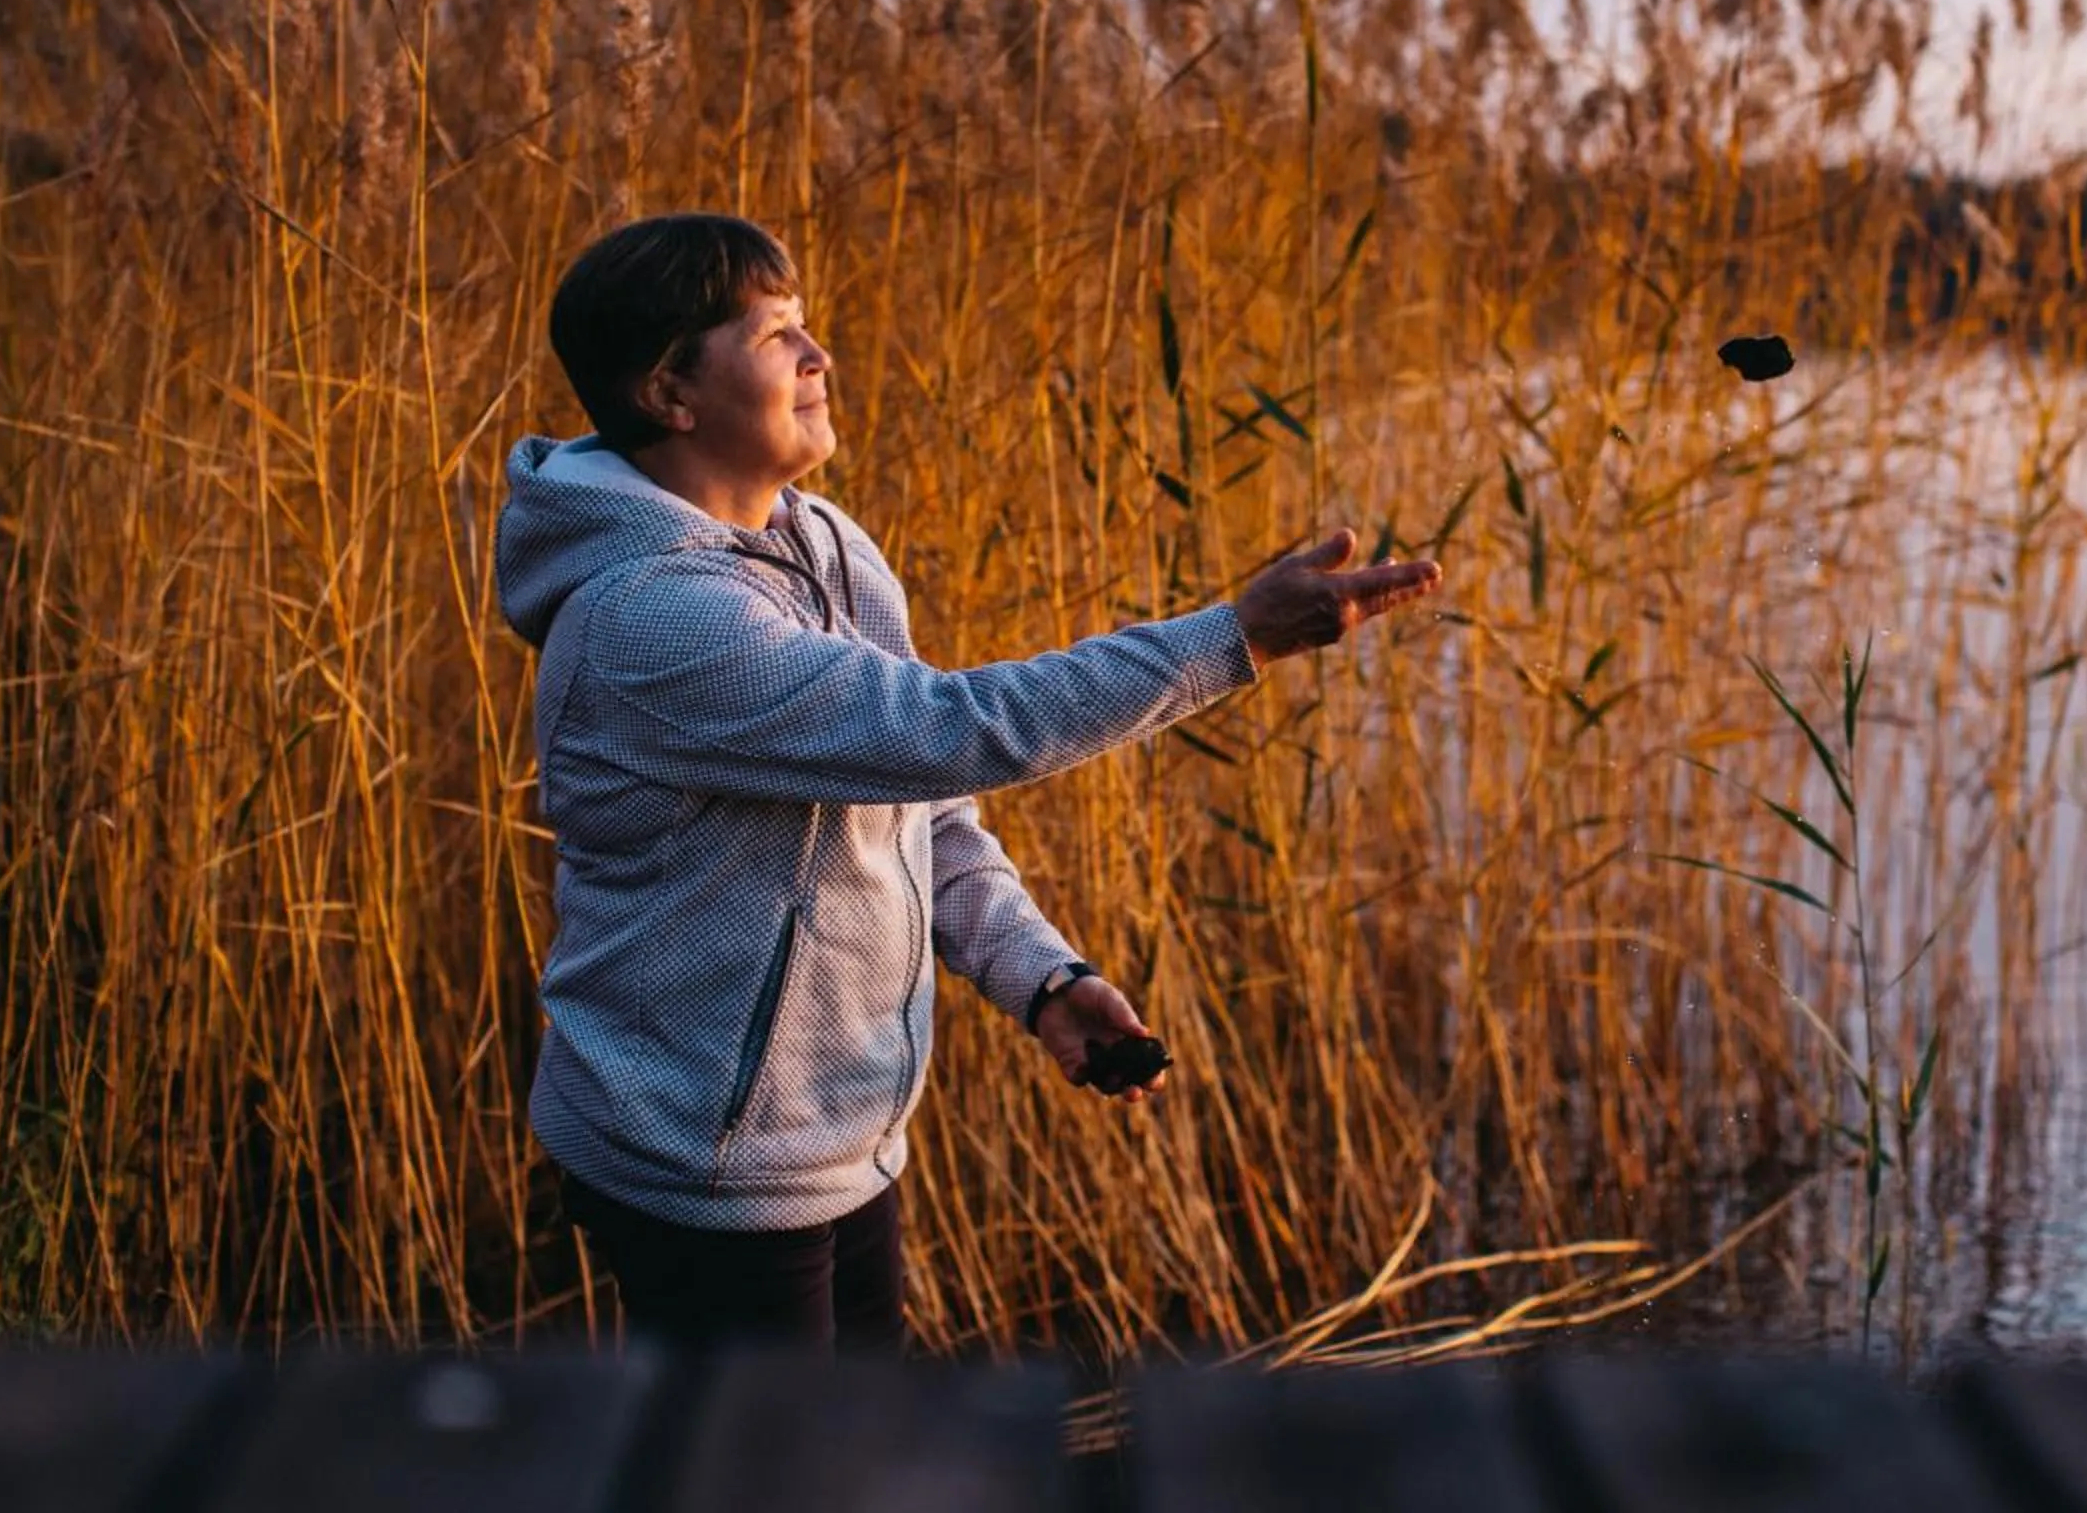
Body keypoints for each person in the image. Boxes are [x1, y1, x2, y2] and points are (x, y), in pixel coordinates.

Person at [494, 212, 1442, 1354]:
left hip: (832, 1140)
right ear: (672, 393)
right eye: (777, 334)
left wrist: (1040, 977)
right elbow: (952, 730)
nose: (818, 356)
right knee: (773, 1482)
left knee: (861, 1456)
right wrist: (1231, 637)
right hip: (699, 1161)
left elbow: (922, 806)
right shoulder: (653, 617)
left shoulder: (830, 545)